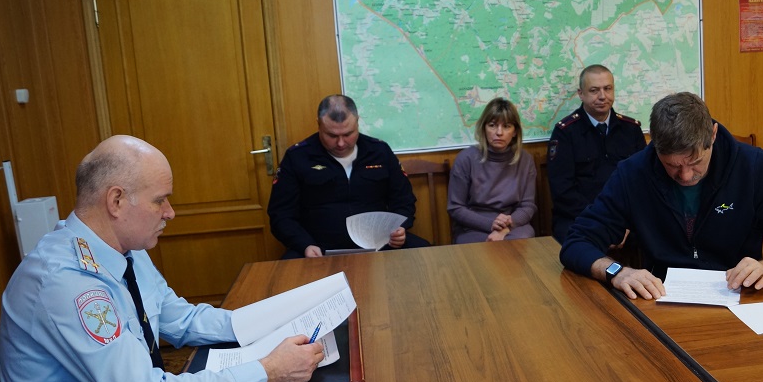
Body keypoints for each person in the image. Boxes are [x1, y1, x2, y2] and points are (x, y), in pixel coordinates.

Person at [0, 135, 324, 382]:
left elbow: (181, 319)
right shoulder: (67, 283)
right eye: (160, 200)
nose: (170, 212)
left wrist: (272, 322)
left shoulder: (125, 250)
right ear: (116, 201)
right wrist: (268, 371)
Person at [560, 92, 763, 299]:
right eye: (672, 165)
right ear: (654, 145)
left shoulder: (753, 166)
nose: (685, 176)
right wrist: (617, 272)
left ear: (713, 135)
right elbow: (577, 243)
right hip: (660, 298)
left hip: (738, 294)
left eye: (695, 161)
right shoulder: (633, 173)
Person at [268, 95, 427, 257]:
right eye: (332, 135)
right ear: (319, 124)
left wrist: (399, 229)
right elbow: (281, 214)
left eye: (348, 134)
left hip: (380, 244)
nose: (341, 143)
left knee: (428, 257)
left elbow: (404, 200)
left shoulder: (379, 151)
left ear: (357, 122)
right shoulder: (298, 157)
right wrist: (304, 244)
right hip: (318, 248)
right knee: (287, 271)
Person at [547, 64, 646, 242]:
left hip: (625, 218)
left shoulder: (631, 130)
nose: (602, 96)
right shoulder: (565, 133)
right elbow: (563, 191)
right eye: (594, 90)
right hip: (580, 217)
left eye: (607, 89)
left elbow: (642, 182)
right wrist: (601, 220)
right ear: (581, 94)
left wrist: (624, 221)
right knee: (575, 242)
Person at [447, 97, 537, 243]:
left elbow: (528, 206)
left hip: (513, 225)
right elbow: (455, 208)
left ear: (515, 131)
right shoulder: (465, 159)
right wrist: (491, 225)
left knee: (522, 240)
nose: (499, 132)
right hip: (474, 227)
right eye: (492, 125)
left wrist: (506, 227)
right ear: (484, 128)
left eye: (506, 126)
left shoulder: (525, 160)